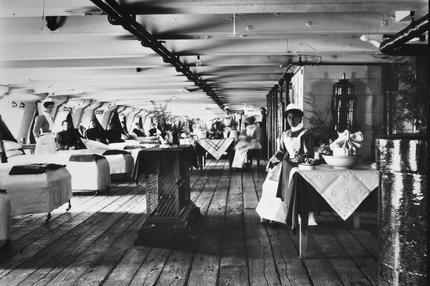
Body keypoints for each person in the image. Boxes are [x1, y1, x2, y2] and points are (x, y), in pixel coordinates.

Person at [256, 103, 315, 224]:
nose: (291, 120)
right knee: (269, 183)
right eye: (289, 117)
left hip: (300, 167)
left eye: (294, 117)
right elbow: (281, 151)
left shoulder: (306, 134)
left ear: (300, 118)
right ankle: (269, 215)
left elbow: (309, 154)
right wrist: (272, 161)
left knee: (281, 185)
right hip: (286, 164)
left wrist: (296, 160)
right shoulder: (285, 134)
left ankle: (280, 217)